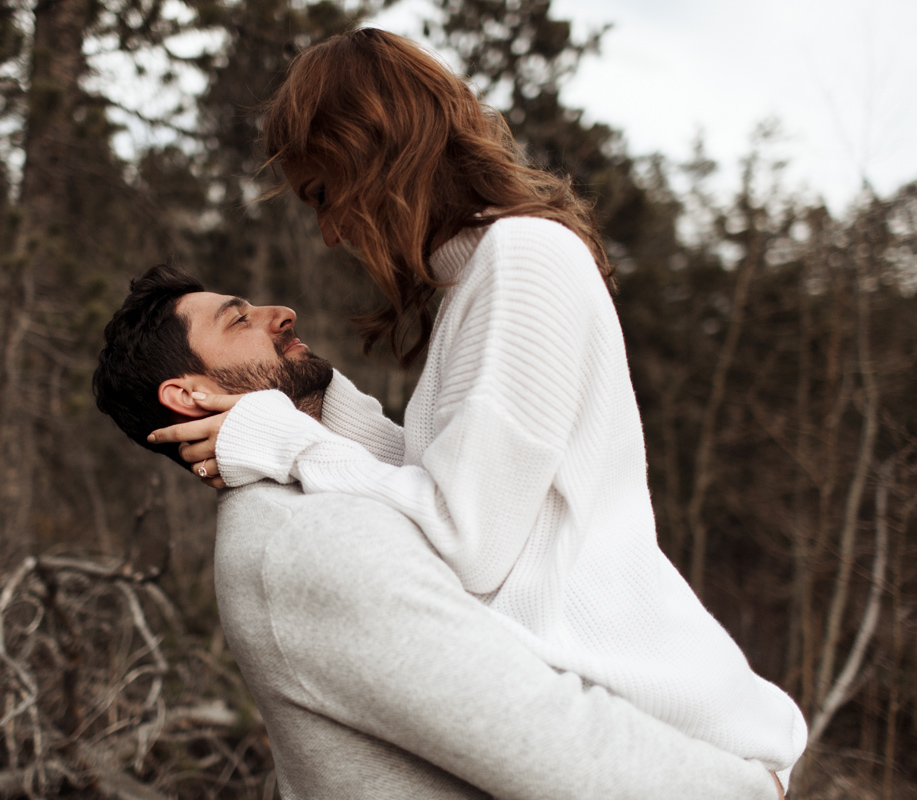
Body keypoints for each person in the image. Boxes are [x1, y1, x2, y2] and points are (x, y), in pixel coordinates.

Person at [147, 26, 807, 790]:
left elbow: (466, 542)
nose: (327, 233)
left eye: (324, 193)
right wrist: (331, 412)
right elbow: (463, 498)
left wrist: (288, 440)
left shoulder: (523, 259)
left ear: (375, 153)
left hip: (674, 746)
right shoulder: (478, 280)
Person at [93, 264, 784, 799]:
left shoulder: (312, 505)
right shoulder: (307, 540)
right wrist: (750, 786)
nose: (279, 314)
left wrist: (311, 421)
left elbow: (434, 497)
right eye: (238, 320)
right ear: (187, 395)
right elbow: (555, 743)